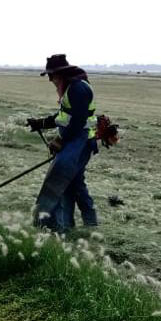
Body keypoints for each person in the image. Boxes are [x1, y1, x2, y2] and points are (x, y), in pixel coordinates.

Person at [26, 54, 98, 234]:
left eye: (52, 75)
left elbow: (78, 122)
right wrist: (40, 123)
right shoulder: (69, 87)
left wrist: (60, 141)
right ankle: (79, 224)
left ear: (61, 73)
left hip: (80, 142)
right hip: (75, 140)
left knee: (58, 180)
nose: (50, 79)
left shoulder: (78, 89)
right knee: (74, 184)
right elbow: (64, 117)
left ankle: (52, 225)